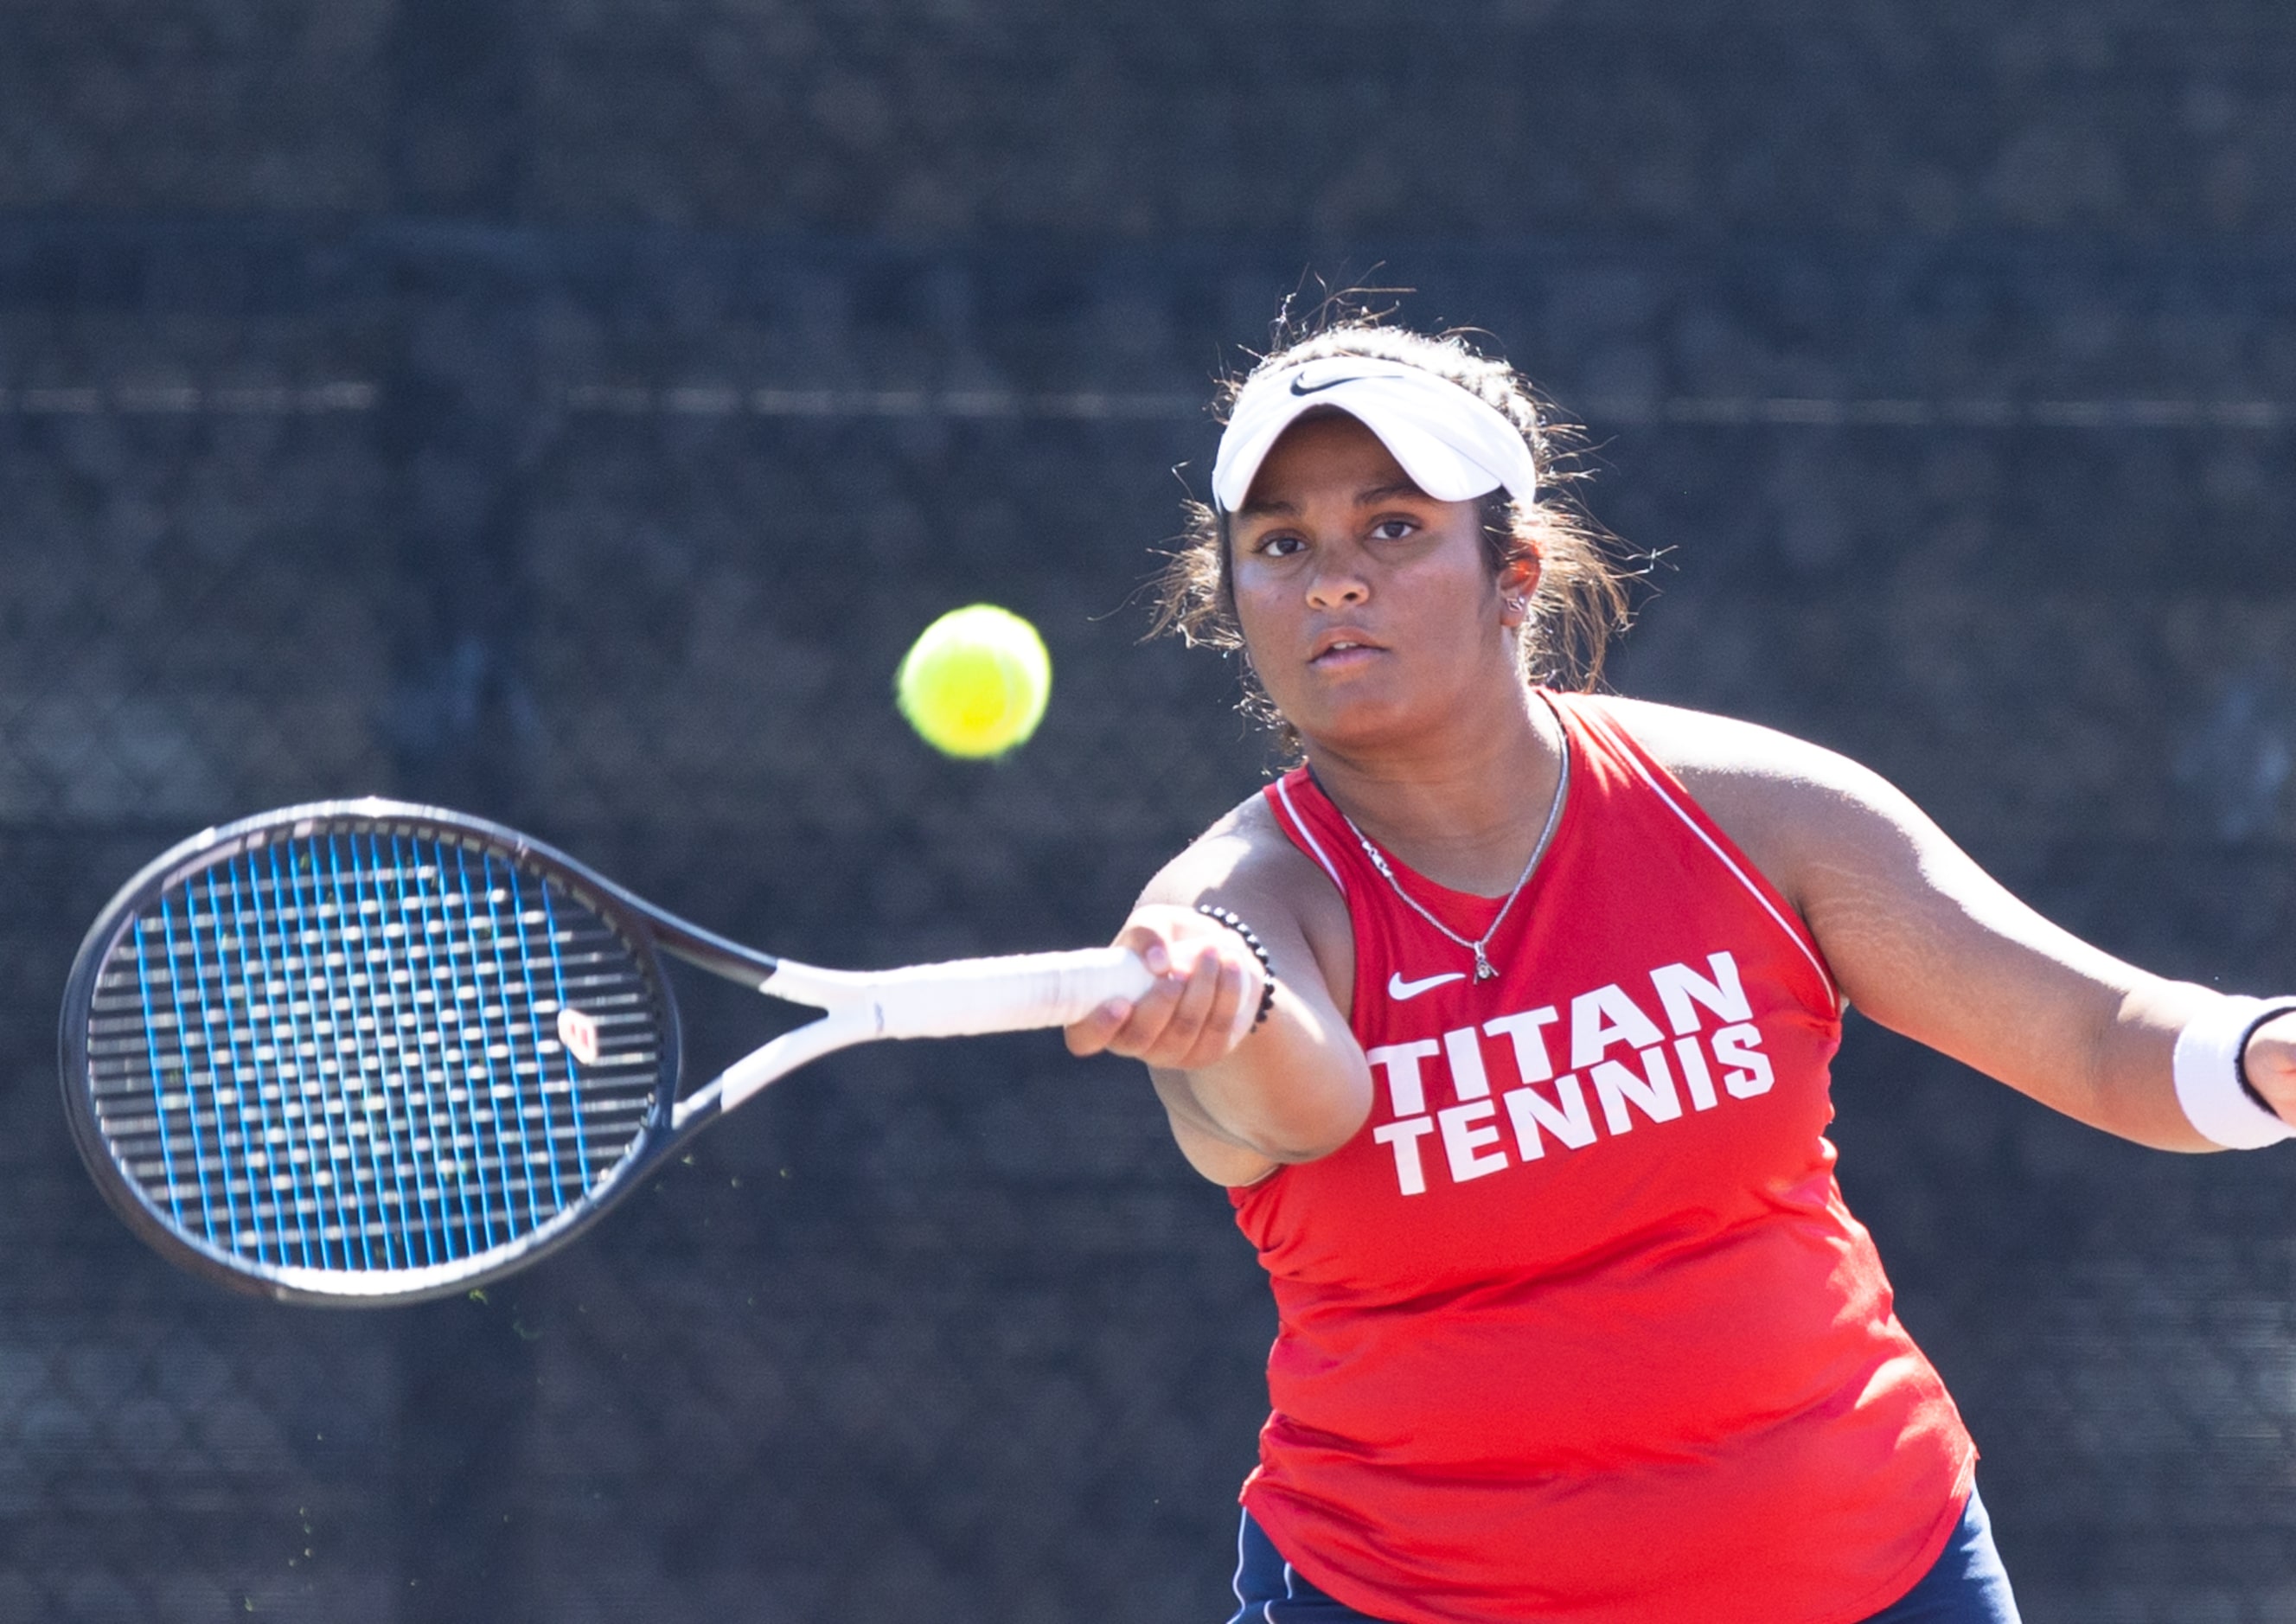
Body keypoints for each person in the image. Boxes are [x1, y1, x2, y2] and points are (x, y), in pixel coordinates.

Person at [1061, 316, 2296, 1624]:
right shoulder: (1230, 905)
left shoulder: (1760, 812)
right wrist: (1231, 999)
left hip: (1872, 1574)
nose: (1332, 580)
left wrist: (2266, 1049)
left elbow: (2101, 1036)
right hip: (1404, 1594)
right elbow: (1302, 1104)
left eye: (1394, 526)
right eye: (1281, 544)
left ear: (1516, 569)